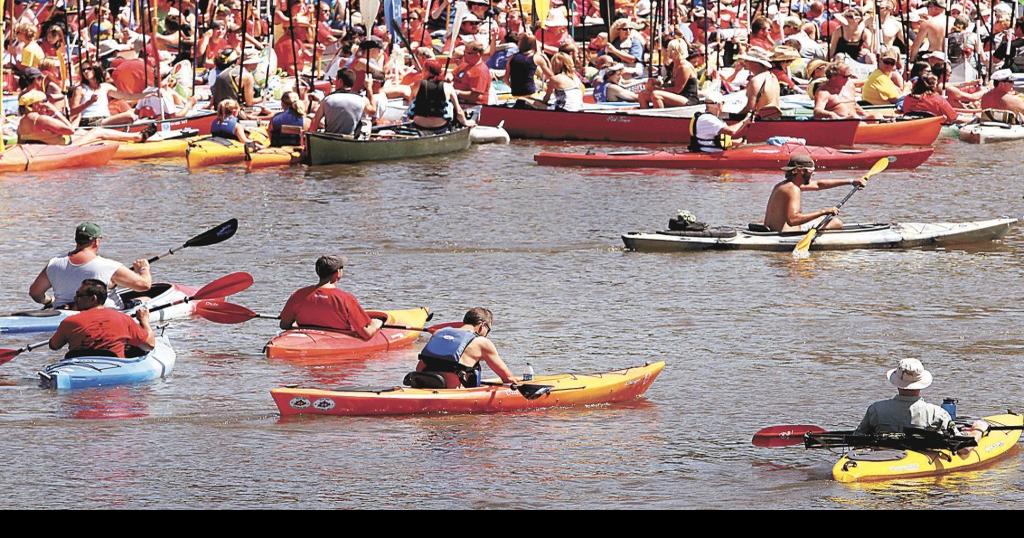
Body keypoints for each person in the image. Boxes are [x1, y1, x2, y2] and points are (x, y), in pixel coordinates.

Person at [29, 223, 153, 310]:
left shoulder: (54, 263)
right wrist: (143, 269)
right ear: (96, 242)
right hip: (106, 313)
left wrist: (50, 301)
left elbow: (35, 293)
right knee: (146, 298)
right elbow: (144, 285)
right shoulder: (109, 266)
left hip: (65, 311)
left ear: (76, 240)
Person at [278, 255, 383, 339]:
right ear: (337, 273)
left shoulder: (299, 294)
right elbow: (366, 334)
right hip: (336, 339)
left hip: (308, 337)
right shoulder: (345, 298)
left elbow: (284, 325)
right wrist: (377, 323)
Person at [48, 280, 157, 359]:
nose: (75, 299)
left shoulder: (69, 322)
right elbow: (149, 345)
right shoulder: (123, 319)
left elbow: (54, 345)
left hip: (79, 365)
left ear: (93, 298)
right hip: (113, 366)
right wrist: (144, 321)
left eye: (79, 295)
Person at [415, 307, 517, 388]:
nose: (487, 334)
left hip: (420, 381)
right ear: (482, 325)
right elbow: (508, 378)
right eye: (488, 330)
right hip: (448, 391)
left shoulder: (439, 332)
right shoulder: (482, 342)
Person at [763, 155, 868, 232]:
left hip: (772, 230)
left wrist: (851, 181)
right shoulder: (793, 189)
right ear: (800, 171)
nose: (812, 174)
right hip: (787, 233)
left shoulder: (785, 185)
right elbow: (792, 220)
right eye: (810, 172)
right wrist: (824, 211)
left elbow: (818, 185)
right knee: (836, 223)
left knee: (827, 220)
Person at [855, 358, 952, 435]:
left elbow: (858, 437)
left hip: (884, 456)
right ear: (921, 384)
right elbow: (963, 449)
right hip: (923, 457)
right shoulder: (937, 414)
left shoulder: (876, 410)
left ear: (897, 383)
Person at [309, 68, 378, 136]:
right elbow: (373, 111)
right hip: (350, 141)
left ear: (340, 81)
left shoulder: (327, 99)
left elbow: (315, 122)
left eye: (336, 80)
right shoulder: (362, 99)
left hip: (330, 140)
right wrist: (369, 88)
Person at [688, 92, 753, 152]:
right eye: (723, 103)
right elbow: (731, 131)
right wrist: (744, 121)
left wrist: (737, 142)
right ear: (718, 104)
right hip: (707, 154)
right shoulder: (707, 119)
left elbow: (719, 141)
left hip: (715, 152)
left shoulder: (715, 120)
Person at [737, 47, 782, 120]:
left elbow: (750, 108)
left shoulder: (755, 80)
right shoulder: (772, 77)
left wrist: (734, 116)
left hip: (759, 121)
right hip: (772, 118)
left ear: (755, 63)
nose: (744, 62)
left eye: (747, 60)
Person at [452, 41, 492, 105]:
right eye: (464, 52)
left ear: (478, 54)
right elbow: (452, 74)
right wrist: (448, 76)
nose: (464, 55)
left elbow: (475, 96)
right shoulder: (464, 64)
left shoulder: (481, 71)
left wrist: (456, 92)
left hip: (473, 107)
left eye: (468, 53)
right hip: (459, 102)